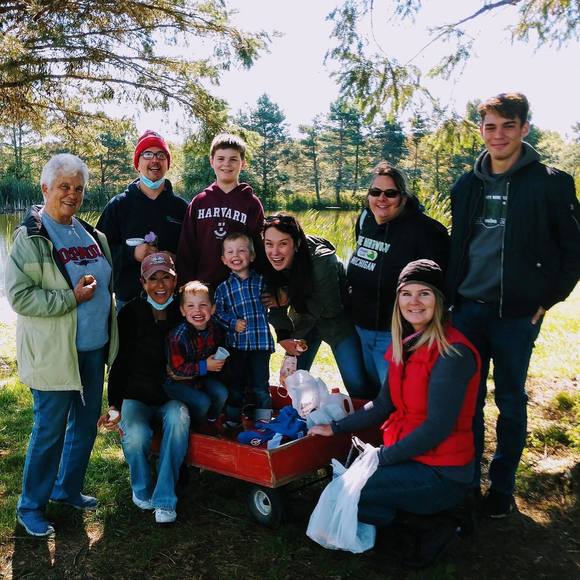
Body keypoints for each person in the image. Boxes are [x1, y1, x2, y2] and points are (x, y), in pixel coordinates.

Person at [447, 92, 580, 517]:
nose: (499, 135)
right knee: (466, 401)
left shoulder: (551, 182)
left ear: (525, 128)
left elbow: (573, 249)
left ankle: (502, 489)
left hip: (517, 315)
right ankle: (466, 481)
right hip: (467, 309)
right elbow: (457, 247)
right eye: (490, 126)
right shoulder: (465, 185)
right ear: (481, 131)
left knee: (510, 399)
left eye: (508, 126)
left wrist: (548, 300)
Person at [310, 260, 480, 554]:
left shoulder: (452, 353)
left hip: (442, 472)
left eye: (424, 293)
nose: (414, 302)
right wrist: (335, 427)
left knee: (349, 493)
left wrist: (380, 458)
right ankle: (413, 518)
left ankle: (440, 521)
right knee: (342, 489)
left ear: (439, 301)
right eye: (406, 294)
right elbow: (382, 405)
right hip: (411, 457)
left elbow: (437, 428)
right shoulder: (408, 344)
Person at [6, 154, 118, 537]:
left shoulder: (91, 234)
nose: (72, 194)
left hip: (93, 350)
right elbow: (20, 296)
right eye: (64, 186)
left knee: (85, 426)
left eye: (79, 188)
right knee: (49, 431)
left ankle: (67, 489)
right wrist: (71, 298)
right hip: (56, 354)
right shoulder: (31, 237)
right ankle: (30, 506)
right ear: (45, 188)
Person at [101, 252, 189, 525]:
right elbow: (119, 362)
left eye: (166, 278)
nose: (160, 285)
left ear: (175, 280)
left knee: (179, 419)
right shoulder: (130, 313)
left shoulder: (185, 310)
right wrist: (114, 405)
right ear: (142, 282)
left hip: (171, 395)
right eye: (153, 279)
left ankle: (165, 498)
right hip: (136, 395)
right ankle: (141, 489)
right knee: (136, 435)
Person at [348, 161, 449, 394]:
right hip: (361, 329)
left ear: (403, 197)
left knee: (396, 398)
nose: (381, 198)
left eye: (390, 193)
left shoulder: (427, 231)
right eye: (375, 192)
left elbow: (441, 286)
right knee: (370, 396)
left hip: (396, 335)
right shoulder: (366, 220)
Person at [262, 213, 369, 398]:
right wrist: (284, 335)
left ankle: (371, 414)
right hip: (303, 322)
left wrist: (290, 295)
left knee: (357, 383)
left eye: (283, 244)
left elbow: (331, 308)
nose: (275, 252)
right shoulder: (267, 260)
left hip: (338, 323)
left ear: (296, 243)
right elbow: (275, 303)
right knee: (291, 381)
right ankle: (300, 414)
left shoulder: (321, 260)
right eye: (269, 244)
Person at [97, 130, 188, 311]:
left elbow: (194, 252)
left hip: (173, 302)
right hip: (129, 303)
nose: (155, 160)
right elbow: (99, 253)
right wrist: (131, 254)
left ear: (167, 164)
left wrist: (175, 259)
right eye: (147, 154)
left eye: (161, 155)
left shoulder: (181, 208)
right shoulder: (118, 205)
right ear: (137, 164)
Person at [176, 133, 265, 290]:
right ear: (212, 161)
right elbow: (186, 248)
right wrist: (186, 287)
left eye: (233, 159)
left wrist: (263, 285)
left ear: (243, 163)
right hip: (203, 288)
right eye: (221, 158)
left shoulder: (251, 203)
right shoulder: (199, 202)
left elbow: (259, 249)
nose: (226, 164)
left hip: (240, 288)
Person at [213, 232, 275, 426]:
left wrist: (277, 299)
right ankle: (233, 420)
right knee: (236, 385)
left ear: (252, 256)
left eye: (241, 250)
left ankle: (264, 421)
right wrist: (233, 323)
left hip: (260, 344)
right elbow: (217, 313)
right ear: (224, 259)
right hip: (237, 346)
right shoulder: (223, 288)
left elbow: (275, 301)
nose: (236, 255)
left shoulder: (262, 282)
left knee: (260, 385)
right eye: (230, 252)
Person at [163, 281, 229, 434]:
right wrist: (205, 366)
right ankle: (197, 427)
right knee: (202, 402)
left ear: (213, 308)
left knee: (221, 392)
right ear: (182, 310)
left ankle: (212, 420)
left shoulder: (215, 329)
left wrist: (218, 360)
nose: (197, 310)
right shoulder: (178, 336)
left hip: (200, 378)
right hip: (176, 383)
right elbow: (177, 369)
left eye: (203, 305)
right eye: (190, 306)